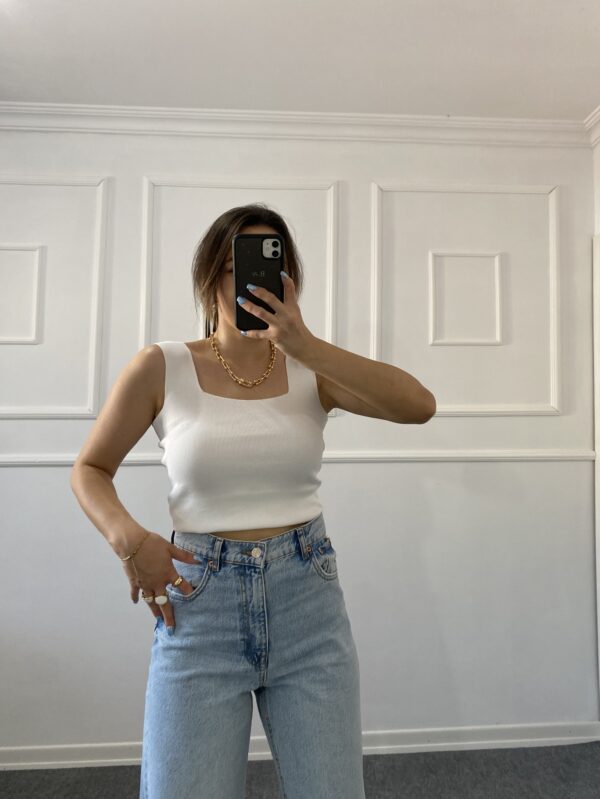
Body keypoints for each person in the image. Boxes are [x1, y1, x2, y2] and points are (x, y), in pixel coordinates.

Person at [71, 203, 435, 798]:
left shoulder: (312, 368)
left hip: (307, 602)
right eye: (236, 267)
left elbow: (419, 406)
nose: (253, 283)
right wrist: (129, 539)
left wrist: (306, 344)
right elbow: (90, 469)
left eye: (269, 267)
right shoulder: (162, 366)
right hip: (199, 607)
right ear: (209, 274)